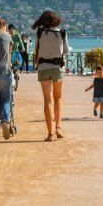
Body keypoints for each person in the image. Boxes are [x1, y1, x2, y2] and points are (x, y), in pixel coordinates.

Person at [33, 10, 69, 141]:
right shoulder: (62, 32)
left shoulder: (40, 33)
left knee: (47, 99)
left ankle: (50, 133)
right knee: (58, 97)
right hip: (57, 67)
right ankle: (58, 127)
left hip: (43, 67)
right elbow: (65, 51)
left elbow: (35, 49)